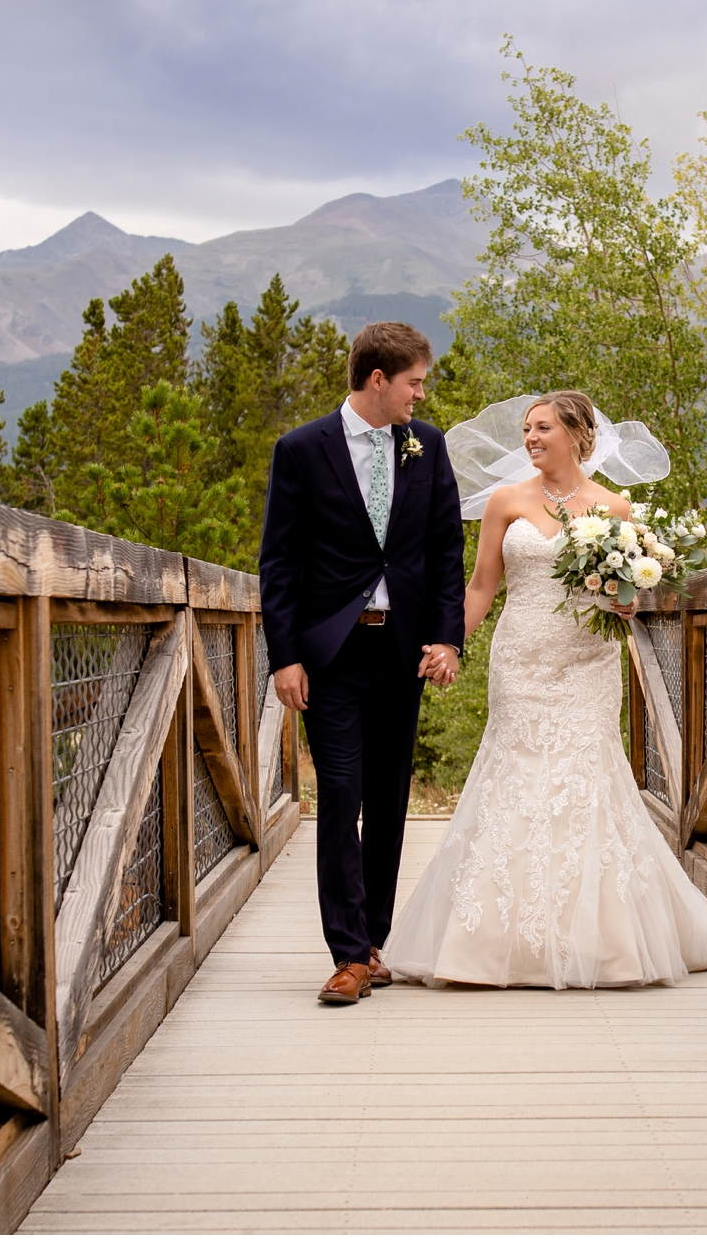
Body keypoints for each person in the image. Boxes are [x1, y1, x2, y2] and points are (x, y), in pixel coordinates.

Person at [380, 390, 707, 988]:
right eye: (527, 430)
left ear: (578, 435)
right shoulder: (506, 501)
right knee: (515, 774)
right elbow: (481, 586)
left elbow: (631, 592)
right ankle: (495, 940)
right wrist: (451, 641)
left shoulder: (616, 508)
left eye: (543, 429)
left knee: (585, 779)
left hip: (587, 660)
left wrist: (626, 601)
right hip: (520, 658)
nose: (530, 439)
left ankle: (600, 942)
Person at [257, 322, 466, 1006]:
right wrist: (284, 655)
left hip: (402, 651)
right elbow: (279, 562)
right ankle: (346, 954)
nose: (421, 393)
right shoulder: (300, 450)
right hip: (334, 653)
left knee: (388, 801)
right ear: (378, 380)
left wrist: (448, 640)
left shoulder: (426, 446)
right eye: (414, 382)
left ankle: (375, 943)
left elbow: (443, 552)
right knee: (341, 793)